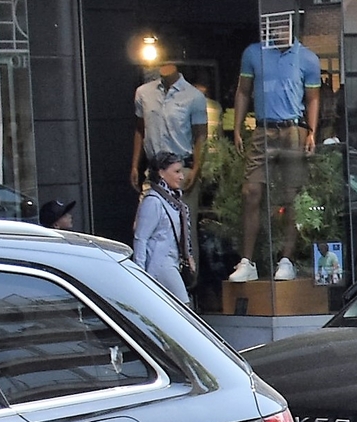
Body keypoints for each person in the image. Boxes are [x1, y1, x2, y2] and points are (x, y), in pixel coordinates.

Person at [227, 27, 321, 274]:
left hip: (293, 128)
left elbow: (312, 97)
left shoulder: (307, 57)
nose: (280, 30)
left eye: (285, 25)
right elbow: (244, 90)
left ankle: (286, 259)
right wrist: (237, 128)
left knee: (292, 196)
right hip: (263, 128)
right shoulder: (254, 53)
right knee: (251, 191)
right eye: (276, 25)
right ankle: (247, 260)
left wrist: (312, 131)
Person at [130, 48, 208, 190]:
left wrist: (196, 168)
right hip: (154, 168)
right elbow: (140, 129)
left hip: (181, 166)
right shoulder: (143, 92)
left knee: (182, 210)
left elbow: (201, 135)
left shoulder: (194, 96)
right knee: (149, 209)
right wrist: (135, 165)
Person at [130, 153, 194, 304]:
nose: (181, 177)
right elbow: (141, 237)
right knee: (183, 306)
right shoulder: (153, 201)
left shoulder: (172, 200)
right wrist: (140, 271)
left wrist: (187, 256)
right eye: (176, 172)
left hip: (170, 261)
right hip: (160, 263)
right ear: (161, 173)